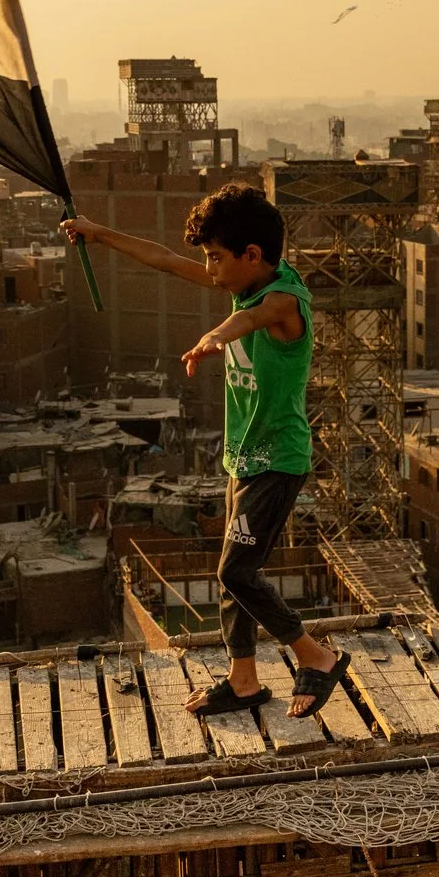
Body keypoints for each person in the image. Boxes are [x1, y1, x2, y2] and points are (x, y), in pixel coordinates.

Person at [61, 185, 348, 718]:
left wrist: (215, 336)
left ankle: (316, 656)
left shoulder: (285, 301)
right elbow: (165, 260)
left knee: (236, 572)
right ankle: (243, 682)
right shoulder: (243, 284)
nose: (209, 269)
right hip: (244, 457)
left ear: (252, 255)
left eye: (217, 258)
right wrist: (97, 233)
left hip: (278, 460)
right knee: (233, 570)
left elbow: (248, 321)